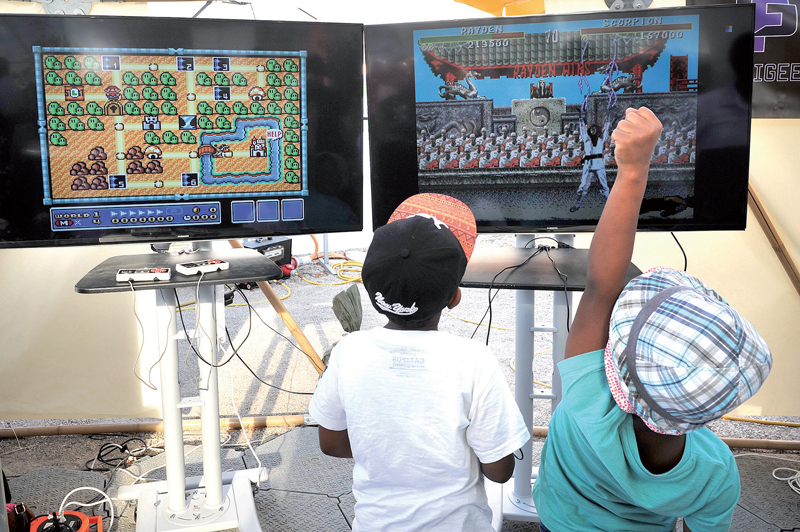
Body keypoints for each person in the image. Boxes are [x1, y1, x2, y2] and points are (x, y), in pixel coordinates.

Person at [532, 107, 773, 532]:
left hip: (558, 520)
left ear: (617, 373)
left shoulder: (588, 400)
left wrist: (632, 171)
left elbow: (602, 287)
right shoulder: (716, 473)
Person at [309, 193, 531, 531]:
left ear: (373, 293)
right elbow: (500, 472)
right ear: (455, 298)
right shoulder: (473, 361)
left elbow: (331, 443)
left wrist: (392, 449)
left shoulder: (348, 352)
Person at [570, 118, 611, 212]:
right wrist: (580, 119)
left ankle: (611, 205)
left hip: (599, 166)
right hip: (588, 166)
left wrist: (608, 117)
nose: (593, 131)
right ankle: (577, 205)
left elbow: (606, 129)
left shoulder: (601, 140)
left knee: (604, 187)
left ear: (597, 130)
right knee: (583, 187)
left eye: (594, 129)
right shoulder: (586, 140)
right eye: (591, 129)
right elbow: (583, 129)